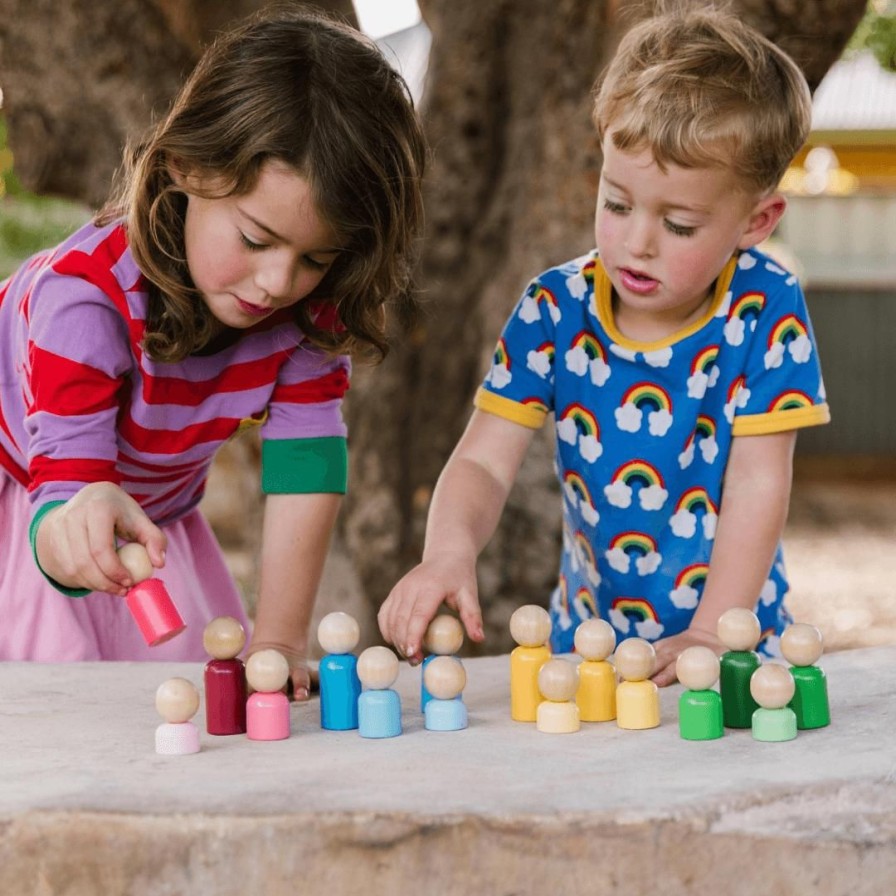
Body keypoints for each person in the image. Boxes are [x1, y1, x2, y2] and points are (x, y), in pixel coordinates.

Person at [378, 5, 829, 686]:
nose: (637, 242)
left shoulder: (765, 309)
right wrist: (447, 552)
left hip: (733, 648)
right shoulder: (554, 310)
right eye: (617, 204)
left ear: (755, 221)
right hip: (587, 650)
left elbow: (758, 482)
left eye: (678, 224)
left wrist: (711, 630)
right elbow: (484, 462)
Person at [0, 4, 426, 699]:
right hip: (30, 500)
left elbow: (305, 469)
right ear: (185, 169)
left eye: (316, 257)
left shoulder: (305, 314)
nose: (277, 282)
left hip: (151, 514)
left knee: (194, 702)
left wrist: (281, 642)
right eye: (256, 240)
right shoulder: (82, 305)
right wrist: (71, 537)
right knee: (56, 716)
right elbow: (65, 501)